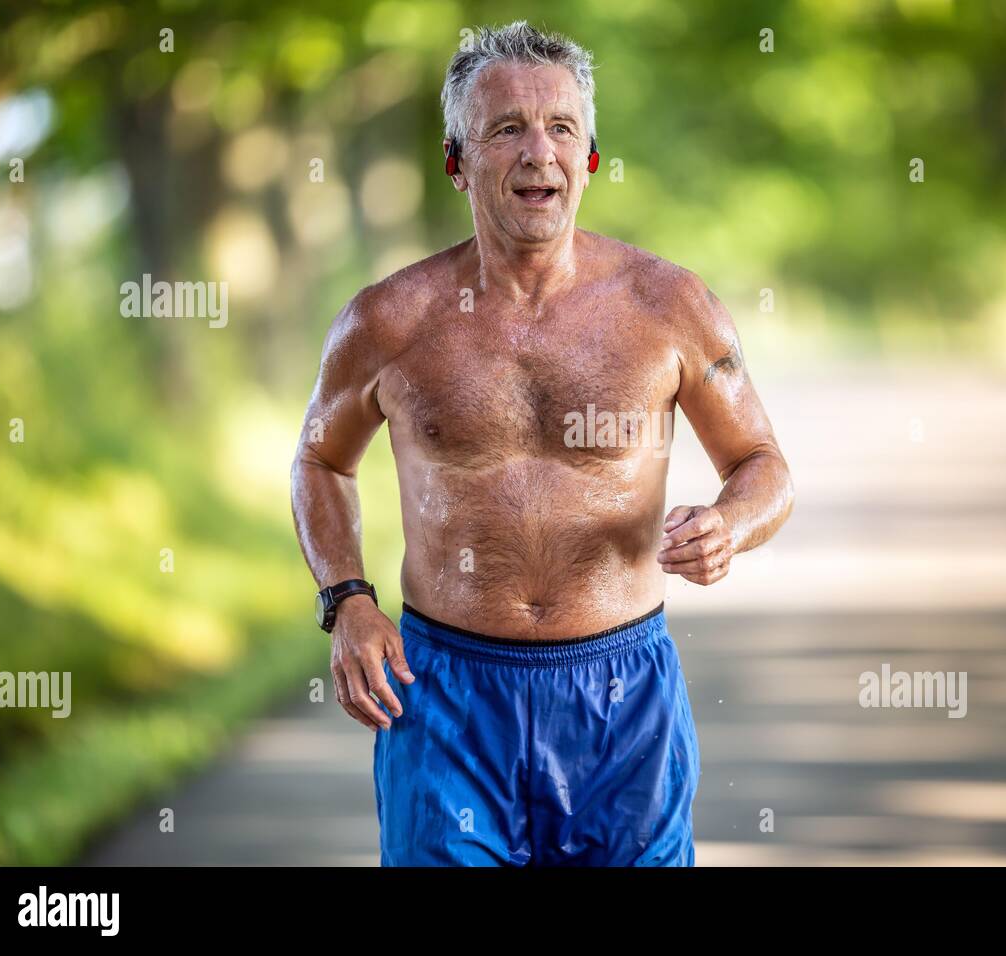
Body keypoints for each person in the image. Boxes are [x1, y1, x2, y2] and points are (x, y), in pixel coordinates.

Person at [291, 21, 794, 866]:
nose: (539, 153)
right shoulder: (390, 320)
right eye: (507, 130)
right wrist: (347, 601)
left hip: (621, 698)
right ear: (457, 160)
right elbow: (320, 459)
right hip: (446, 698)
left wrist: (729, 525)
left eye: (562, 129)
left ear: (591, 157)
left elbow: (763, 467)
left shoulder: (667, 305)